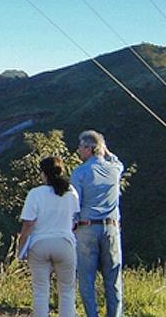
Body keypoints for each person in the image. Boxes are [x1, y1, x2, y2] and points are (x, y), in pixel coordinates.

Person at [70, 130, 124, 317]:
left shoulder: (79, 172)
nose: (78, 150)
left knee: (86, 278)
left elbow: (75, 204)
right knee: (113, 278)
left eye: (81, 147)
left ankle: (92, 315)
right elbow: (116, 160)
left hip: (87, 227)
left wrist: (72, 226)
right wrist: (105, 150)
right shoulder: (115, 169)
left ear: (89, 149)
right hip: (111, 227)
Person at [19, 156, 80, 317]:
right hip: (65, 243)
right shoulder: (71, 192)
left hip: (40, 243)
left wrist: (21, 248)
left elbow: (28, 224)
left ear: (44, 173)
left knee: (40, 291)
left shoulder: (35, 193)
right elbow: (75, 220)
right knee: (67, 291)